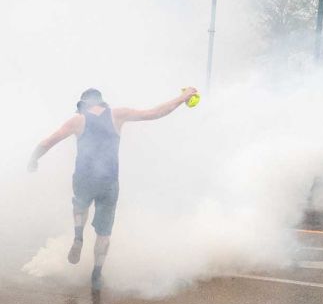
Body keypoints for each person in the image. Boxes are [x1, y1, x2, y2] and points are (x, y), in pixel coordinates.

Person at [28, 86, 197, 289]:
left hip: (84, 179)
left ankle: (78, 236)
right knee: (104, 233)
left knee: (80, 205)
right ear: (102, 102)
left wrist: (33, 159)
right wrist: (182, 97)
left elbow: (48, 142)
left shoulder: (78, 120)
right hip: (109, 182)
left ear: (83, 104)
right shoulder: (117, 115)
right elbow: (154, 113)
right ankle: (97, 274)